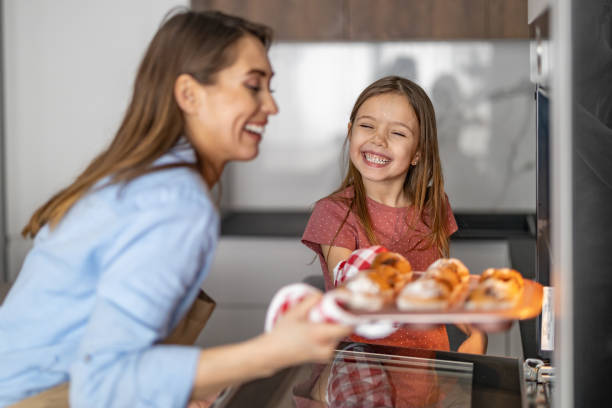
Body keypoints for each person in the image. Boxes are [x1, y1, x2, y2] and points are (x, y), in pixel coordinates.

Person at [0, 9, 351, 408]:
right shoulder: (176, 200)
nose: (271, 106)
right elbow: (105, 382)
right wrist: (275, 351)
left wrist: (176, 389)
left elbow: (105, 350)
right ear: (189, 95)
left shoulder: (144, 178)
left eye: (270, 87)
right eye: (254, 86)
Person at [302, 76, 487, 353]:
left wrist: (476, 332)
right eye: (367, 126)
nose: (378, 139)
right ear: (351, 131)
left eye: (397, 133)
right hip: (357, 376)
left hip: (427, 373)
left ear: (418, 152)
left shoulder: (433, 206)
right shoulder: (334, 212)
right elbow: (354, 294)